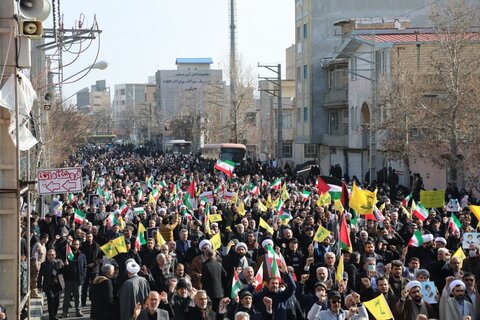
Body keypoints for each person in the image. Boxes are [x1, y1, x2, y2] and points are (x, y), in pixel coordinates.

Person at [61, 239, 87, 318]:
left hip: (78, 280)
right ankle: (65, 312)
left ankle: (78, 311)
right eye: (74, 244)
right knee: (66, 297)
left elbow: (84, 266)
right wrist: (65, 264)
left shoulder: (82, 255)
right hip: (68, 280)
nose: (75, 246)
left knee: (78, 296)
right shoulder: (68, 254)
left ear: (79, 245)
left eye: (77, 244)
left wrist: (82, 277)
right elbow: (63, 269)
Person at [37, 249, 64, 320]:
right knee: (51, 300)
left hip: (58, 286)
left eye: (52, 255)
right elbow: (40, 276)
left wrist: (65, 265)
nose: (50, 256)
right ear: (47, 256)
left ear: (55, 255)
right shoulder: (44, 264)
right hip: (48, 286)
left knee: (57, 302)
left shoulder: (59, 262)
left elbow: (63, 272)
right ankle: (51, 316)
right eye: (49, 255)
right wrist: (39, 286)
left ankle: (54, 314)